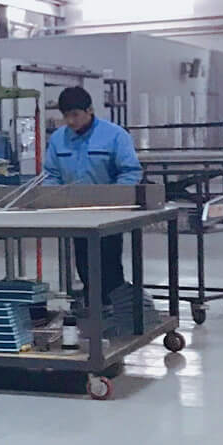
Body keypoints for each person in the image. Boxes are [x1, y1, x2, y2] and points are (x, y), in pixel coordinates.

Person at [43, 85, 142, 300]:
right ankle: (94, 304)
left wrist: (115, 200)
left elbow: (130, 171)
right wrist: (54, 200)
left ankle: (115, 306)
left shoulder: (114, 135)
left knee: (110, 264)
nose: (70, 121)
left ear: (90, 110)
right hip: (76, 214)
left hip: (109, 215)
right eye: (66, 116)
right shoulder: (59, 139)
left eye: (75, 115)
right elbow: (51, 174)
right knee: (84, 263)